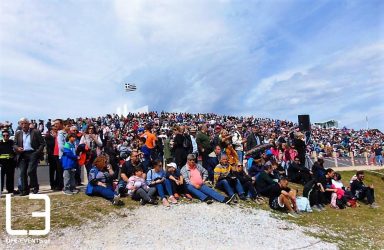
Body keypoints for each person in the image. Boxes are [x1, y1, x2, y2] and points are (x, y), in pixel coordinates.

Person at [13, 118, 46, 196]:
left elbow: (42, 143)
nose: (23, 125)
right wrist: (17, 148)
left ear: (28, 124)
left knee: (30, 171)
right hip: (22, 154)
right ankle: (24, 190)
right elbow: (14, 144)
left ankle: (34, 186)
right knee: (22, 173)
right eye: (22, 124)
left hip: (33, 153)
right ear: (20, 125)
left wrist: (37, 152)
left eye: (25, 123)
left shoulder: (35, 132)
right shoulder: (18, 133)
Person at [0, 130, 17, 194]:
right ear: (2, 136)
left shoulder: (11, 142)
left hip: (10, 162)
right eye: (4, 135)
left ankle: (10, 189)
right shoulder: (0, 143)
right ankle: (0, 189)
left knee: (10, 177)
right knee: (1, 177)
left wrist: (14, 161)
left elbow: (14, 152)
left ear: (9, 136)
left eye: (7, 135)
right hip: (2, 163)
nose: (5, 137)